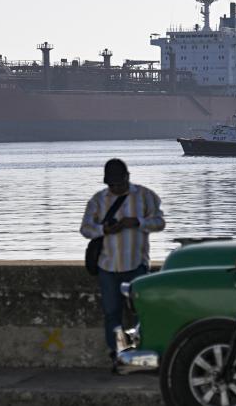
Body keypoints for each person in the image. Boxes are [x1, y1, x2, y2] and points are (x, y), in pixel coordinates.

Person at [80, 159, 165, 371]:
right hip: (107, 267)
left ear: (127, 177)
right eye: (112, 185)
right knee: (112, 314)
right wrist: (104, 230)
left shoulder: (146, 196)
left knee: (140, 313)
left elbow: (159, 223)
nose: (116, 188)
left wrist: (138, 222)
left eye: (119, 183)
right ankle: (119, 355)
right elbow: (85, 229)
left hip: (136, 265)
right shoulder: (98, 200)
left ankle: (140, 354)